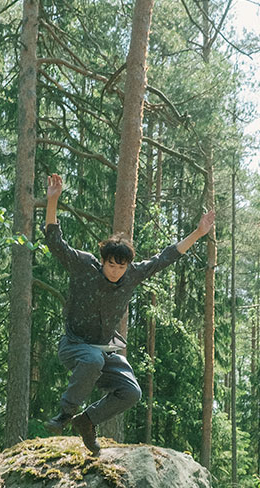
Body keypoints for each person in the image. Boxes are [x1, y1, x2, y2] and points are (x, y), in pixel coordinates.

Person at [42, 172, 215, 455]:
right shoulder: (84, 267)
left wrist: (198, 233)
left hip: (104, 352)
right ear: (103, 261)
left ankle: (87, 422)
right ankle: (66, 413)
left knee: (131, 392)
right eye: (111, 265)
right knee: (93, 358)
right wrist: (52, 202)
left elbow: (166, 257)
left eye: (121, 267)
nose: (115, 271)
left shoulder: (131, 275)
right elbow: (55, 243)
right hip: (74, 347)